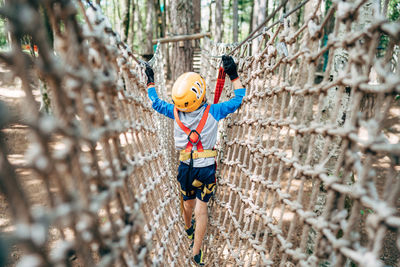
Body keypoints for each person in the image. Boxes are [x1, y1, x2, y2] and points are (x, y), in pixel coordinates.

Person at [144, 55, 245, 266]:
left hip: (184, 169)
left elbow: (154, 102)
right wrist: (233, 74)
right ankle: (196, 253)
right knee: (202, 208)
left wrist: (150, 81)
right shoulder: (214, 112)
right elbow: (238, 99)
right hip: (206, 169)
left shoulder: (174, 112)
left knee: (187, 204)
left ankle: (188, 229)